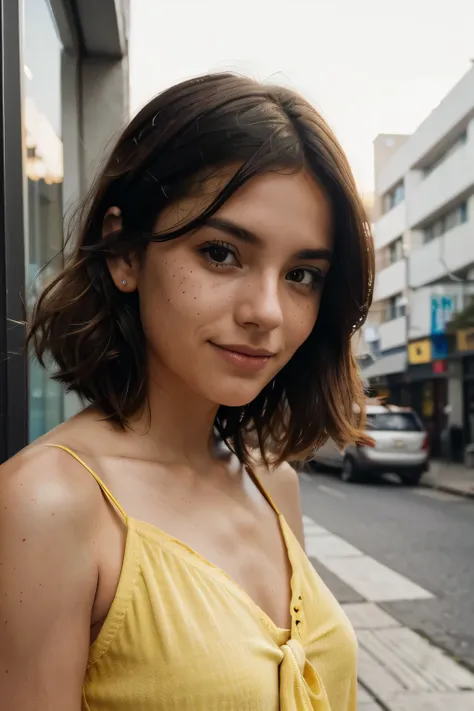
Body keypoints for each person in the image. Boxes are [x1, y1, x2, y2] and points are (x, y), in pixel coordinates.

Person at [0, 73, 374, 710]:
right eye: (222, 253)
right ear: (123, 251)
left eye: (302, 275)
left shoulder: (270, 481)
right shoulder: (48, 505)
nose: (268, 312)